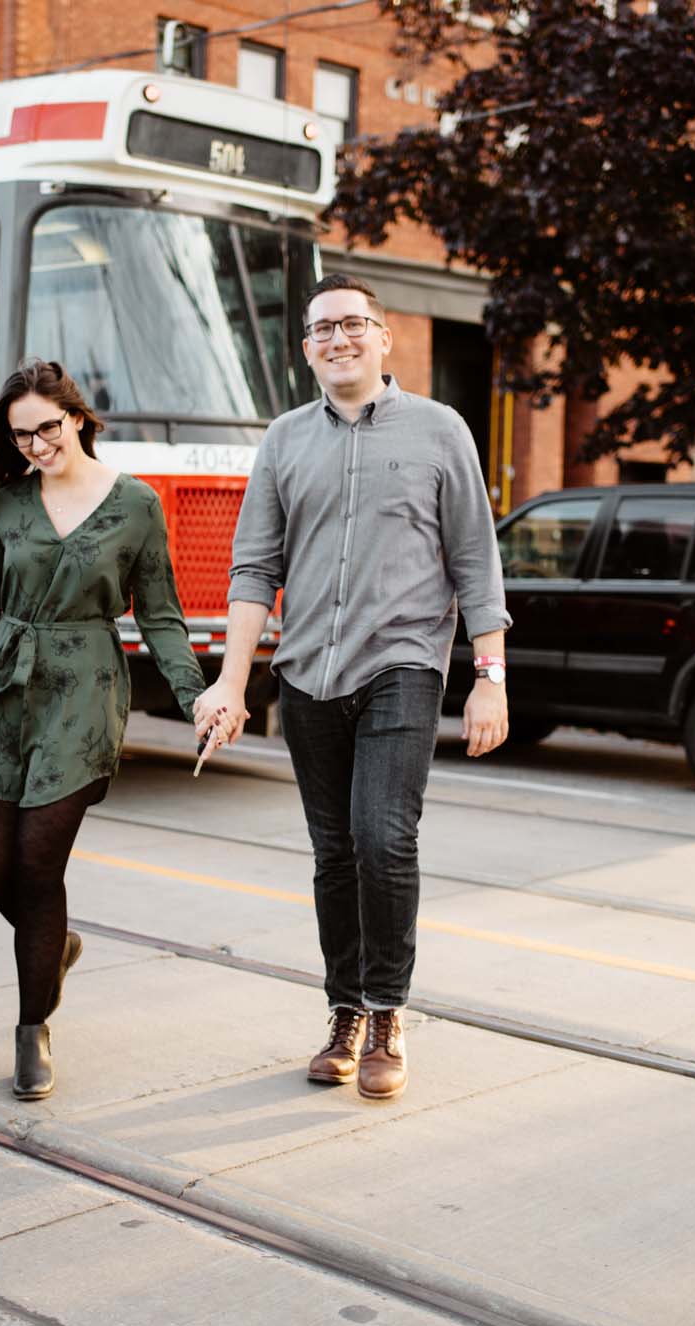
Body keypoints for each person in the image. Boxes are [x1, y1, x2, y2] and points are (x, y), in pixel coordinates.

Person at [191, 274, 511, 1101]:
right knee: (334, 854)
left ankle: (385, 1011)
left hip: (401, 664)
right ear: (307, 349)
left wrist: (489, 677)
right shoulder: (285, 440)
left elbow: (476, 560)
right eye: (322, 329)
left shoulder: (441, 431)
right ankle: (342, 1006)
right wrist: (231, 682)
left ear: (384, 336)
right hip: (306, 675)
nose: (338, 339)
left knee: (382, 838)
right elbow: (255, 567)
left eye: (352, 324)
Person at [0, 360, 233, 1101]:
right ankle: (54, 945)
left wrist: (194, 699)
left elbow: (160, 616)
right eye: (21, 435)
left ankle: (32, 1029)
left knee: (37, 861)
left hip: (83, 696)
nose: (35, 445)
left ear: (77, 417)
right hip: (2, 696)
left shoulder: (136, 506)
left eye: (46, 428)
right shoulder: (8, 506)